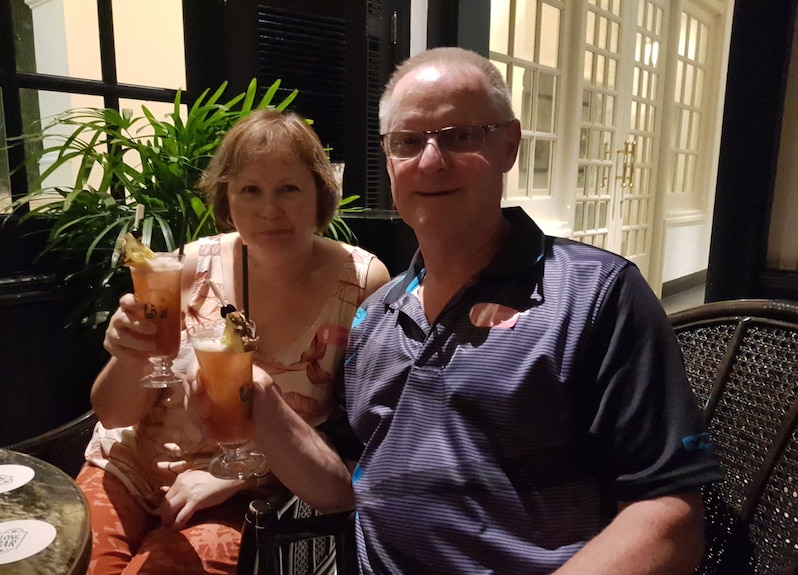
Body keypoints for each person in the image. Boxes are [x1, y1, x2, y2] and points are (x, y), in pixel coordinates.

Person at [338, 47, 722, 574]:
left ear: (509, 145)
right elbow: (353, 473)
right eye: (408, 141)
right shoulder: (373, 316)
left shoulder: (598, 295)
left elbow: (668, 516)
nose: (430, 160)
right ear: (388, 157)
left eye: (460, 136)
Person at [75, 108, 390, 575]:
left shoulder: (361, 282)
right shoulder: (188, 266)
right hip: (125, 467)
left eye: (289, 188)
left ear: (321, 194)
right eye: (250, 190)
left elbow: (353, 437)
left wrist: (236, 476)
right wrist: (128, 355)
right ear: (228, 198)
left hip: (235, 496)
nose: (269, 210)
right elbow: (115, 414)